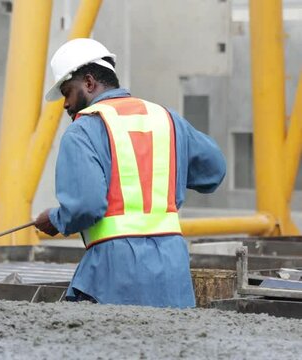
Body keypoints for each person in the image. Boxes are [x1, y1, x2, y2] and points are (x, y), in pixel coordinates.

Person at [34, 38, 226, 308]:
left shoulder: (83, 130)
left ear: (89, 83)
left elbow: (85, 206)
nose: (65, 104)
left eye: (67, 92)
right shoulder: (167, 119)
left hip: (115, 273)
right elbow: (214, 171)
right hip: (173, 274)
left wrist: (55, 219)